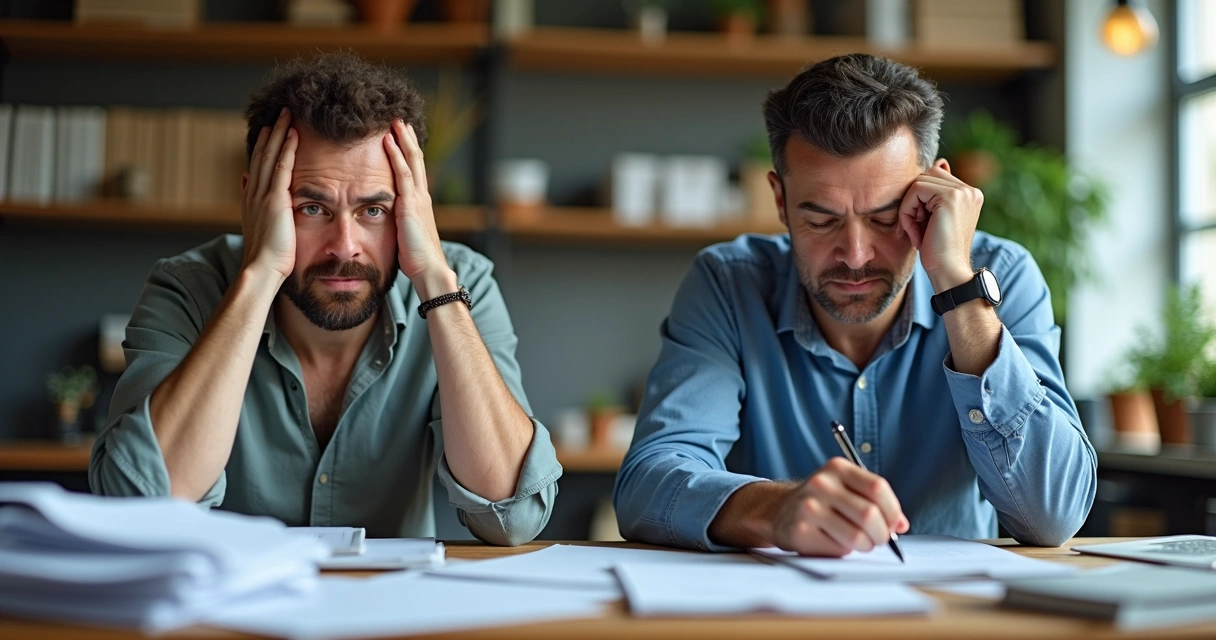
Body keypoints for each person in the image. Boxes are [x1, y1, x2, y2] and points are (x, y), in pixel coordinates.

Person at [614, 53, 1096, 554]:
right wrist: (775, 509)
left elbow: (1051, 517)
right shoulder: (728, 285)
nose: (856, 256)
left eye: (887, 218)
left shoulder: (1001, 277)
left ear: (935, 191)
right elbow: (648, 485)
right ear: (779, 200)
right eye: (821, 220)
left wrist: (957, 284)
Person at [90, 53, 560, 546]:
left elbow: (513, 517)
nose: (345, 246)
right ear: (256, 201)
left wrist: (436, 284)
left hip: (388, 615)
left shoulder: (461, 285)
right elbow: (142, 505)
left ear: (415, 209)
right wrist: (259, 275)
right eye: (311, 207)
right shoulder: (187, 287)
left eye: (374, 210)